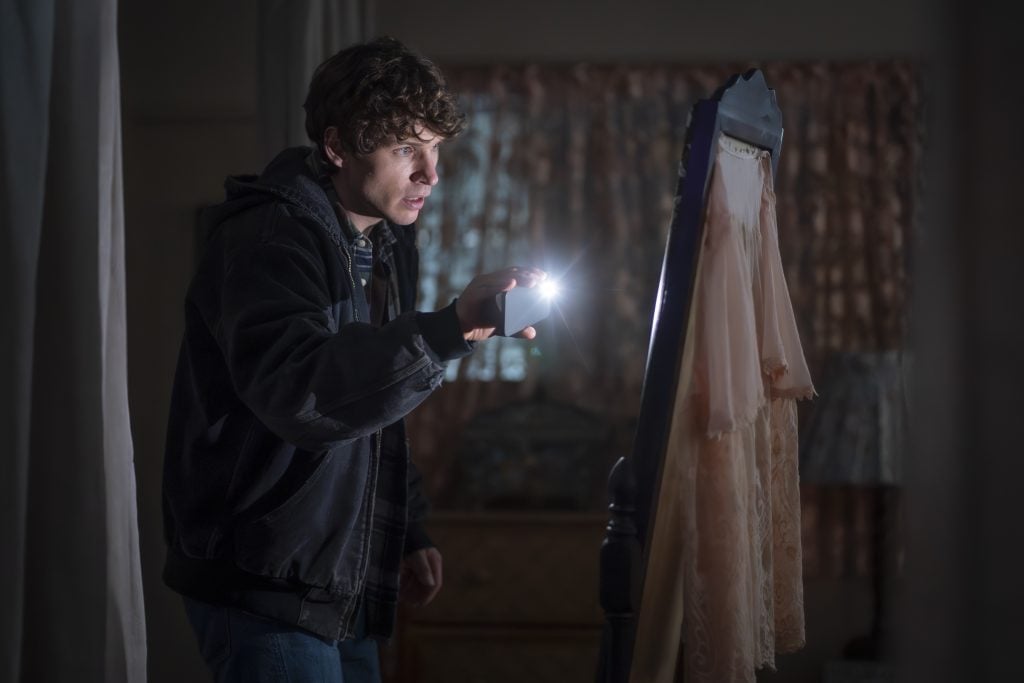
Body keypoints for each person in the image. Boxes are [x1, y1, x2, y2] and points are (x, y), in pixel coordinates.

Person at [161, 36, 545, 682]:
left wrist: (408, 527)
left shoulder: (389, 243)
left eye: (436, 149)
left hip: (338, 577)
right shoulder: (269, 239)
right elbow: (307, 392)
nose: (432, 174)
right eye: (406, 150)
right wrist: (451, 328)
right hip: (265, 581)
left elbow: (372, 408)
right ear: (338, 147)